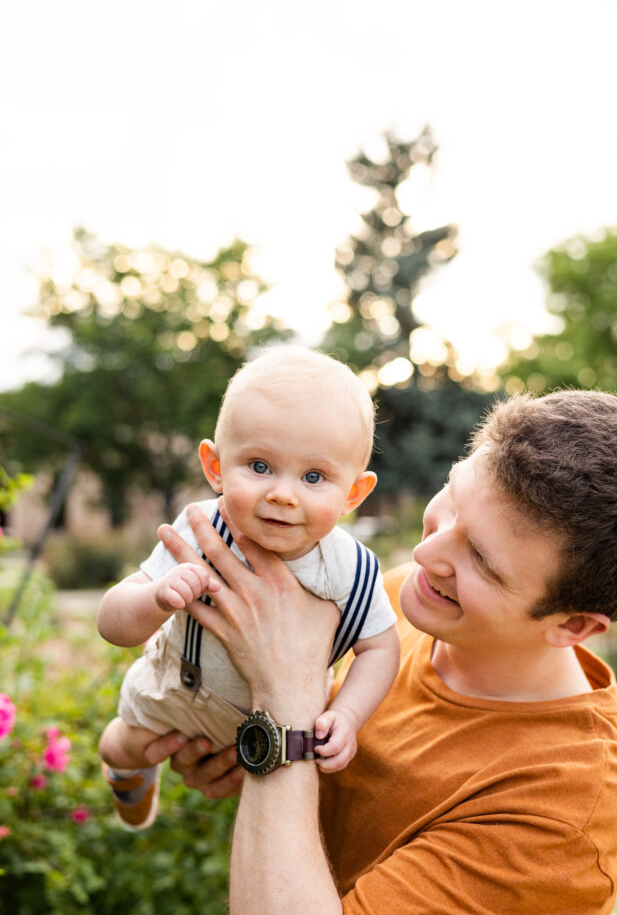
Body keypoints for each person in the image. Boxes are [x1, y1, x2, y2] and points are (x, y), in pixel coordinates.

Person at [145, 388, 617, 915]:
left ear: (574, 625)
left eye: (480, 559)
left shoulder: (565, 815)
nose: (426, 551)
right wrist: (247, 754)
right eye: (452, 498)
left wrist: (280, 722)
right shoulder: (408, 601)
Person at [97, 347, 400, 828]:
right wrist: (156, 597)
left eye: (314, 476)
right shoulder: (200, 530)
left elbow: (381, 648)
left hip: (279, 719)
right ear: (215, 467)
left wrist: (348, 714)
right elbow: (112, 622)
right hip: (178, 689)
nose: (283, 492)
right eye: (259, 466)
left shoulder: (351, 569)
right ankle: (128, 778)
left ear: (353, 495)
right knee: (126, 743)